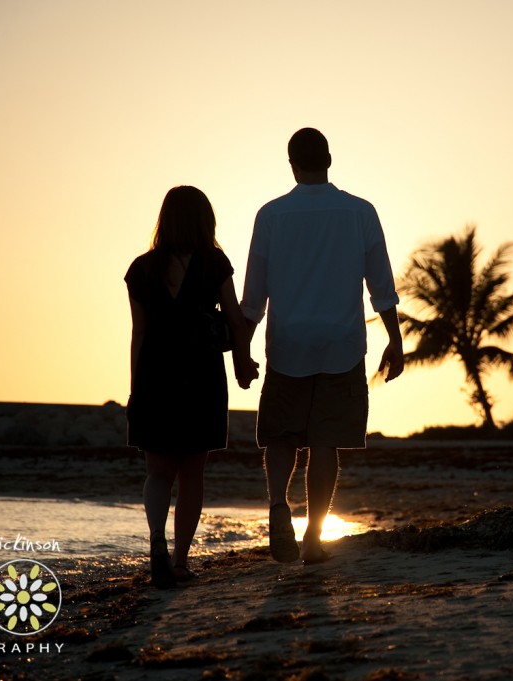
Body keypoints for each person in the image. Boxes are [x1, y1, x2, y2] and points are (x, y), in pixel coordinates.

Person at [241, 127, 404, 565]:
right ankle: (314, 537)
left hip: (288, 344)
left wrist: (242, 350)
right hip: (342, 344)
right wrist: (395, 340)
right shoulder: (360, 212)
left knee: (281, 437)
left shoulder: (271, 215)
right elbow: (382, 287)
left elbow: (253, 296)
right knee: (325, 442)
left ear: (291, 164)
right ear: (329, 160)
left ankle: (278, 505)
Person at [125, 185, 259, 588]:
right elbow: (235, 319)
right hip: (201, 374)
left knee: (158, 472)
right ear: (205, 220)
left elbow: (139, 334)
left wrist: (135, 391)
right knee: (192, 474)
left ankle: (155, 540)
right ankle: (180, 562)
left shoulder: (141, 268)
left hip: (155, 375)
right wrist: (241, 363)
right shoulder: (213, 263)